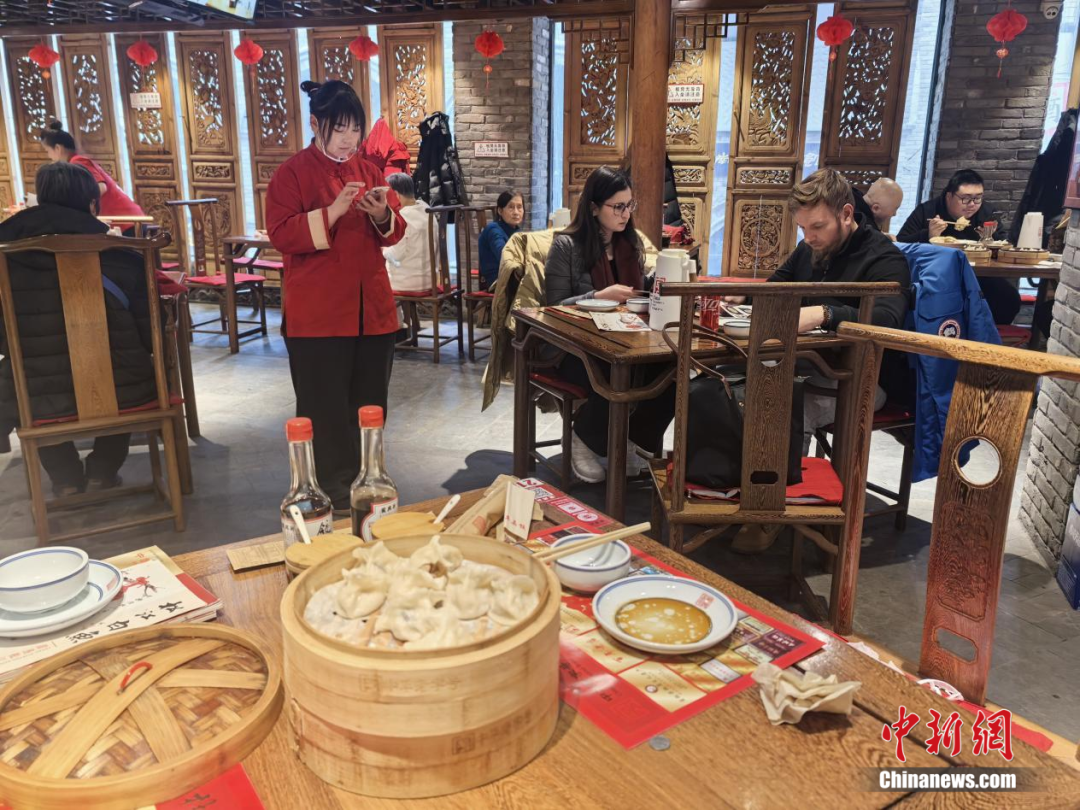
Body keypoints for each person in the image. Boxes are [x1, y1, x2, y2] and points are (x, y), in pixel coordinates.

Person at [722, 169, 911, 553]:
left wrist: (826, 313)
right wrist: (744, 296)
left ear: (846, 214)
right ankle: (725, 488)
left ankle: (772, 510)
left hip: (861, 380)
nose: (809, 237)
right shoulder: (811, 248)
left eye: (818, 226)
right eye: (803, 228)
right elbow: (776, 288)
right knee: (724, 383)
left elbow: (888, 320)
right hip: (806, 366)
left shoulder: (884, 258)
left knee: (784, 402)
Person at [266, 79, 406, 513]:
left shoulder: (369, 170)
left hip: (372, 310)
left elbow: (394, 231)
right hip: (318, 315)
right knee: (323, 405)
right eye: (339, 128)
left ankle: (369, 478)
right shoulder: (292, 173)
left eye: (355, 129)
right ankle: (329, 486)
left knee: (370, 402)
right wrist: (332, 212)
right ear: (315, 124)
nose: (349, 138)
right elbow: (280, 234)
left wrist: (382, 214)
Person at [0, 162, 156, 496]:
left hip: (34, 389)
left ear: (40, 200)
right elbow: (149, 335)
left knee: (25, 388)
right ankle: (102, 471)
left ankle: (66, 479)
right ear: (92, 203)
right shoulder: (120, 255)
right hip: (121, 387)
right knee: (130, 375)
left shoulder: (6, 257)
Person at [545, 166, 673, 483]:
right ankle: (583, 439)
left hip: (626, 339)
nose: (626, 214)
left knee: (674, 367)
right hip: (574, 347)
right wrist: (597, 296)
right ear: (593, 207)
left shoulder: (630, 244)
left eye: (629, 205)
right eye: (618, 207)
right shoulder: (566, 246)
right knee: (614, 365)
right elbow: (552, 308)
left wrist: (657, 284)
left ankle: (633, 440)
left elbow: (636, 292)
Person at [897, 169, 1020, 324]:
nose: (972, 205)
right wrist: (927, 235)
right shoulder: (927, 211)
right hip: (936, 275)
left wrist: (989, 238)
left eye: (977, 198)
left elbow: (1004, 245)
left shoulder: (986, 213)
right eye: (965, 199)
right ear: (949, 196)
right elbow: (901, 244)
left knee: (1009, 299)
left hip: (978, 275)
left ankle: (985, 334)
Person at [40, 122, 145, 222]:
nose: (49, 156)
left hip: (125, 219)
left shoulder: (78, 162)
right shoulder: (74, 163)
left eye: (47, 151)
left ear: (57, 148)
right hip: (125, 218)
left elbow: (101, 187)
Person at [381, 172, 431, 293]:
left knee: (368, 283)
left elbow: (395, 256)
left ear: (396, 195)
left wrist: (382, 249)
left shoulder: (401, 217)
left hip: (406, 281)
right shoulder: (426, 208)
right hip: (430, 280)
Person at [478, 190, 524, 288]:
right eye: (511, 207)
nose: (516, 212)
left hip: (513, 277)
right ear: (500, 211)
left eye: (519, 207)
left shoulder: (517, 231)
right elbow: (504, 255)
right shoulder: (493, 229)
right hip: (497, 281)